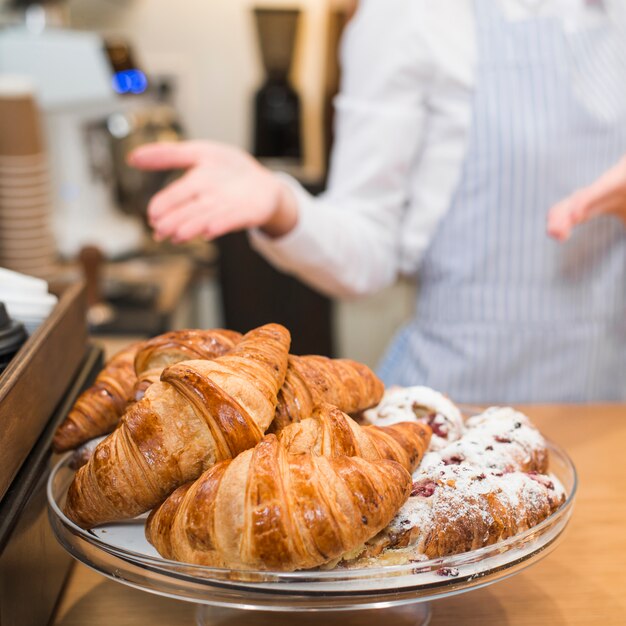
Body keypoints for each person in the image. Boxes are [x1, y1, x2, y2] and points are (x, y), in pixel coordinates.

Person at [129, 0, 626, 403]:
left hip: (607, 399)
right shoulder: (412, 15)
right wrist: (282, 205)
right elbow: (367, 255)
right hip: (459, 403)